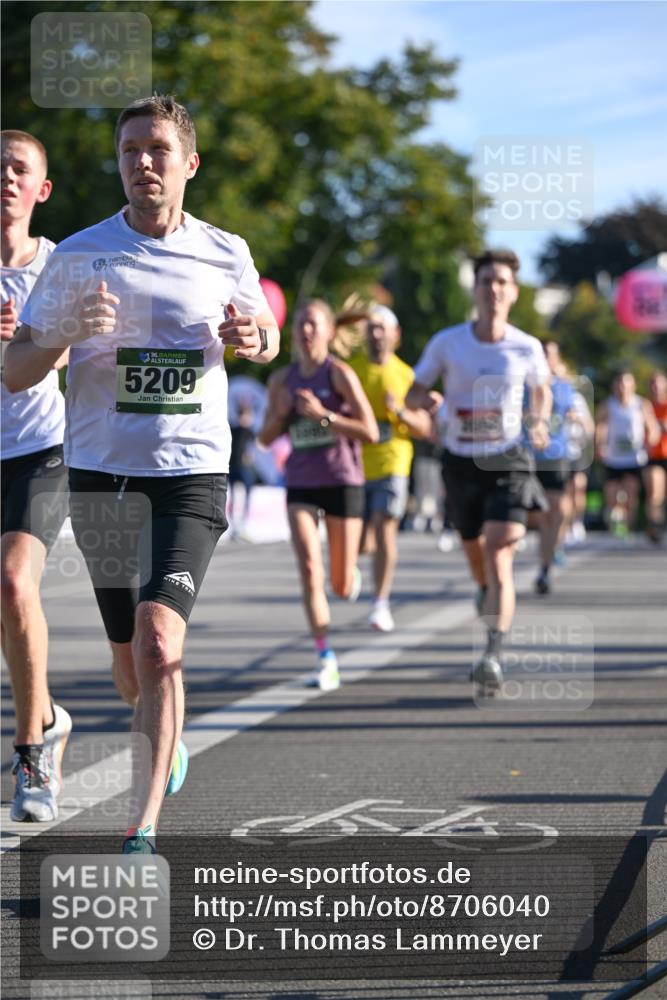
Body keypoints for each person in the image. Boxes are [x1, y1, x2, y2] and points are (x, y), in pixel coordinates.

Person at [5, 96, 279, 852]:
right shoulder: (79, 255)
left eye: (157, 149)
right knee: (130, 657)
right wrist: (64, 330)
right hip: (100, 473)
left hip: (190, 473)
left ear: (188, 163)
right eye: (130, 151)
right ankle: (163, 729)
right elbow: (17, 369)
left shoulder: (226, 250)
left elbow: (265, 334)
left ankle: (141, 831)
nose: (142, 163)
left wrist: (254, 334)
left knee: (161, 643)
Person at [405, 249, 551, 695]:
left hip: (507, 458)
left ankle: (492, 653)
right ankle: (485, 589)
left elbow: (541, 390)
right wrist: (425, 404)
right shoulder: (448, 342)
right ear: (476, 288)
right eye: (486, 280)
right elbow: (414, 393)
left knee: (499, 551)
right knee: (478, 557)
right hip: (460, 459)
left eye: (502, 281)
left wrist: (540, 421)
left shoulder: (527, 346)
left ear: (514, 291)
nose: (494, 289)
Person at [1, 130, 72, 823]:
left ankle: (30, 754)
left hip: (39, 451)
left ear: (41, 189)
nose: (6, 178)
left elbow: (72, 354)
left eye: (19, 169)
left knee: (16, 581)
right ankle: (47, 711)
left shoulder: (60, 266)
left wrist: (30, 339)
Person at [258, 299, 378, 690]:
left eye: (313, 324)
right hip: (302, 483)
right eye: (300, 324)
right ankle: (325, 656)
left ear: (328, 331)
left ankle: (349, 575)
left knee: (341, 585)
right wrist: (281, 414)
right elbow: (263, 438)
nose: (306, 331)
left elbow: (371, 431)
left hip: (343, 479)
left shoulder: (339, 374)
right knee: (311, 569)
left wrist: (324, 415)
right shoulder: (281, 380)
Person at [349, 305, 430, 632]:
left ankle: (380, 603)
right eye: (371, 327)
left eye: (383, 327)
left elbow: (424, 427)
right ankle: (352, 563)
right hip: (353, 467)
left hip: (393, 462)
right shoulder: (350, 371)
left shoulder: (408, 375)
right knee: (359, 541)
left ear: (396, 335)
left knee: (385, 528)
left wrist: (401, 412)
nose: (376, 333)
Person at [530, 340, 577, 595]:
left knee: (554, 510)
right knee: (536, 515)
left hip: (556, 455)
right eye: (542, 354)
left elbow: (572, 412)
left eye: (550, 354)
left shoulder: (564, 387)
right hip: (527, 456)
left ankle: (545, 568)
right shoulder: (524, 384)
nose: (546, 358)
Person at [595, 370, 659, 537]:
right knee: (612, 497)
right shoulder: (608, 404)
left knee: (631, 496)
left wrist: (650, 440)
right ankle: (616, 525)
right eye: (620, 383)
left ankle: (627, 530)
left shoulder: (641, 404)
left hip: (634, 458)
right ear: (615, 386)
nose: (623, 387)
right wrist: (599, 445)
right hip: (613, 458)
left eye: (626, 383)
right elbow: (601, 427)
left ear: (633, 385)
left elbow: (652, 427)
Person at [645, 370, 667, 543]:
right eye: (653, 383)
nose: (656, 387)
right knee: (655, 493)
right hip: (654, 456)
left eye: (659, 383)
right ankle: (655, 526)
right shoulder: (645, 406)